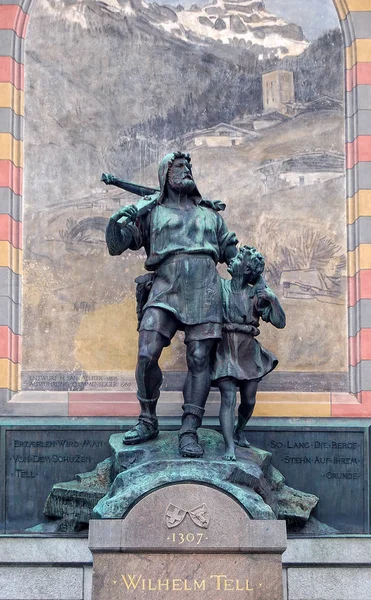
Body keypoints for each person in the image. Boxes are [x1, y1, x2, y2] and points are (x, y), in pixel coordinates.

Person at [106, 152, 238, 457]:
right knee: (145, 354)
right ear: (165, 173)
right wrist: (115, 221)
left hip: (205, 289)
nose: (186, 170)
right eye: (179, 166)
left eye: (189, 166)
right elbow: (115, 247)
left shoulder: (211, 215)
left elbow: (234, 256)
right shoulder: (151, 213)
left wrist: (256, 287)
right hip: (165, 287)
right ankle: (147, 419)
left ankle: (189, 430)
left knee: (199, 357)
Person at [210, 245, 286, 461]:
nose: (231, 260)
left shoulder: (255, 295)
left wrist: (273, 299)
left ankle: (239, 430)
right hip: (225, 350)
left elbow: (280, 323)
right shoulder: (220, 286)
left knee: (249, 400)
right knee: (227, 398)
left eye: (238, 259)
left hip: (248, 352)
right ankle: (229, 447)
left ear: (246, 270)